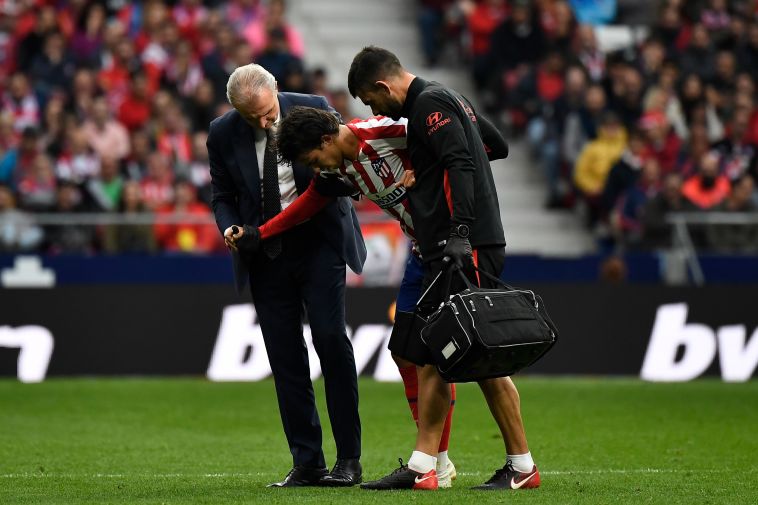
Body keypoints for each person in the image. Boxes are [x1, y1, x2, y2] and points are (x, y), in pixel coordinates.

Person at [252, 105, 508, 487]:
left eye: (314, 159)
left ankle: (486, 462)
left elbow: (480, 146)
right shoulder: (339, 168)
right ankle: (439, 460)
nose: (317, 168)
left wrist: (430, 172)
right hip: (421, 252)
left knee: (447, 356)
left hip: (450, 249)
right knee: (406, 352)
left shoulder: (391, 130)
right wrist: (261, 233)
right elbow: (308, 202)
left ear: (326, 140)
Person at [347, 46, 539, 491]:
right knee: (458, 353)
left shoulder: (428, 105)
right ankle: (494, 466)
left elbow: (461, 160)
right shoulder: (449, 97)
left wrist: (460, 229)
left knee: (453, 352)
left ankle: (433, 467)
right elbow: (496, 144)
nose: (373, 110)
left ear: (382, 85)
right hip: (462, 243)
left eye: (370, 100)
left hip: (460, 246)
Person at [207, 63, 367, 488]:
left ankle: (349, 459)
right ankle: (308, 461)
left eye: (266, 111)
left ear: (276, 88)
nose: (264, 122)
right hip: (264, 254)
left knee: (331, 341)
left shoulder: (314, 110)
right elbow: (222, 194)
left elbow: (343, 177)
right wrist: (228, 227)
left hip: (319, 245)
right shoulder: (222, 133)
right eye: (251, 117)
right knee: (284, 357)